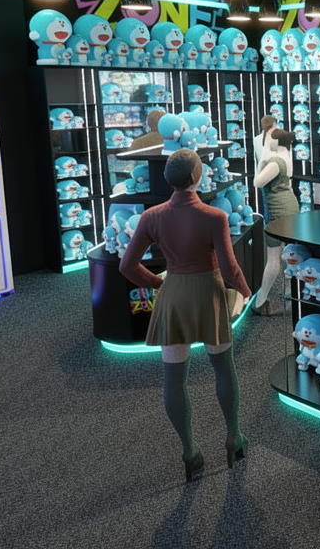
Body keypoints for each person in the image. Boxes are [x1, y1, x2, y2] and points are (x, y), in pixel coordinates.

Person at [119, 149, 253, 481]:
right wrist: (245, 291)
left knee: (174, 378)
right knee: (224, 368)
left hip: (174, 295)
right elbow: (229, 268)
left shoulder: (151, 216)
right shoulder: (214, 216)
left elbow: (127, 266)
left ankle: (189, 450)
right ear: (196, 176)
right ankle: (233, 437)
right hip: (208, 294)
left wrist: (158, 284)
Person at [250, 128, 298, 316]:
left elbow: (257, 182)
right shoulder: (284, 155)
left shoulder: (275, 162)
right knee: (289, 253)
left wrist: (261, 159)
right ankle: (291, 293)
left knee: (273, 258)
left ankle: (261, 300)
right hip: (285, 206)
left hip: (279, 210)